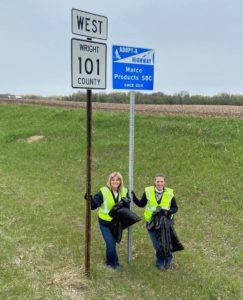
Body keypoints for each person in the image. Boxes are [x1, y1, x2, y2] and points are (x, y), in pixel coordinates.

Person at [132, 174, 178, 271]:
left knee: (166, 242)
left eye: (161, 181)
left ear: (164, 182)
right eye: (158, 181)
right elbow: (141, 204)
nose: (159, 183)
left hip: (166, 223)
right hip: (152, 223)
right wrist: (133, 197)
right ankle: (160, 260)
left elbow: (175, 208)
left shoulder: (169, 193)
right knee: (157, 244)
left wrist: (168, 212)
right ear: (155, 182)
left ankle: (166, 261)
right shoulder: (148, 191)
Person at [86, 172, 130, 270]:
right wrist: (90, 199)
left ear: (120, 181)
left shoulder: (124, 191)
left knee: (112, 243)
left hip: (116, 223)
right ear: (109, 181)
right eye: (113, 180)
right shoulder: (104, 191)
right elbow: (94, 205)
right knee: (110, 243)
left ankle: (110, 261)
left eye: (117, 180)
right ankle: (113, 264)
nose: (115, 182)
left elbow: (127, 207)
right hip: (104, 223)